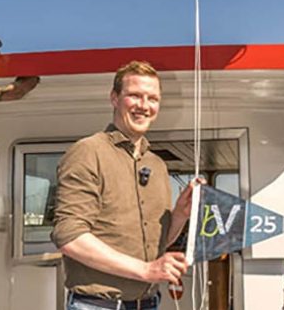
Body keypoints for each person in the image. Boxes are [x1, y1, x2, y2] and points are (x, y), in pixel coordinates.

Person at [52, 60, 196, 310]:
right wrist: (146, 270)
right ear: (114, 98)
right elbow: (70, 236)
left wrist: (181, 215)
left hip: (148, 303)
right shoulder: (88, 152)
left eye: (153, 98)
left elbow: (160, 243)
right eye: (135, 96)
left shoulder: (157, 165)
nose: (144, 106)